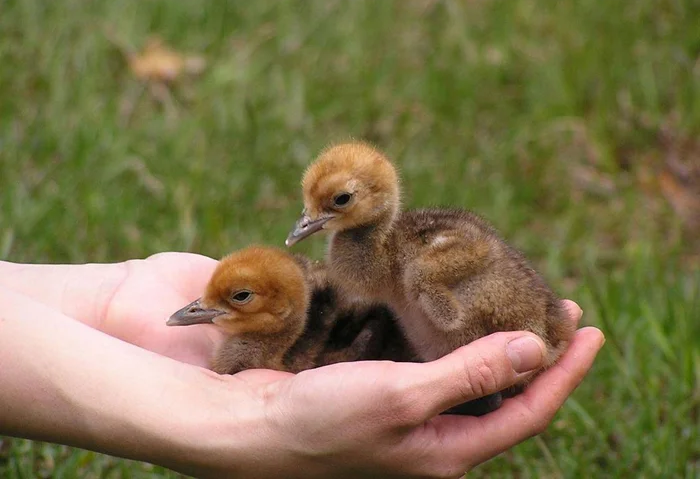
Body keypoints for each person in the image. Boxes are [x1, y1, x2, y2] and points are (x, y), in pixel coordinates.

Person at [0, 252, 604, 479]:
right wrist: (221, 423)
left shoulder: (335, 323)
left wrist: (107, 302)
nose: (203, 312)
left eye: (231, 301)